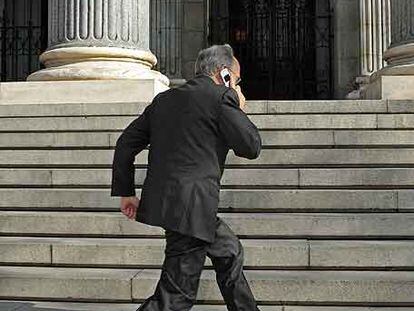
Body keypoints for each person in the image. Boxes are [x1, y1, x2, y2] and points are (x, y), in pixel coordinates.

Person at [111, 44, 262, 311]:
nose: (237, 85)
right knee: (175, 297)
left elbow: (125, 143)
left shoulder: (164, 100)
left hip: (179, 205)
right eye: (236, 80)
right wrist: (237, 104)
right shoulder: (221, 98)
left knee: (229, 252)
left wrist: (126, 192)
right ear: (224, 73)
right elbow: (250, 146)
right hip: (192, 209)